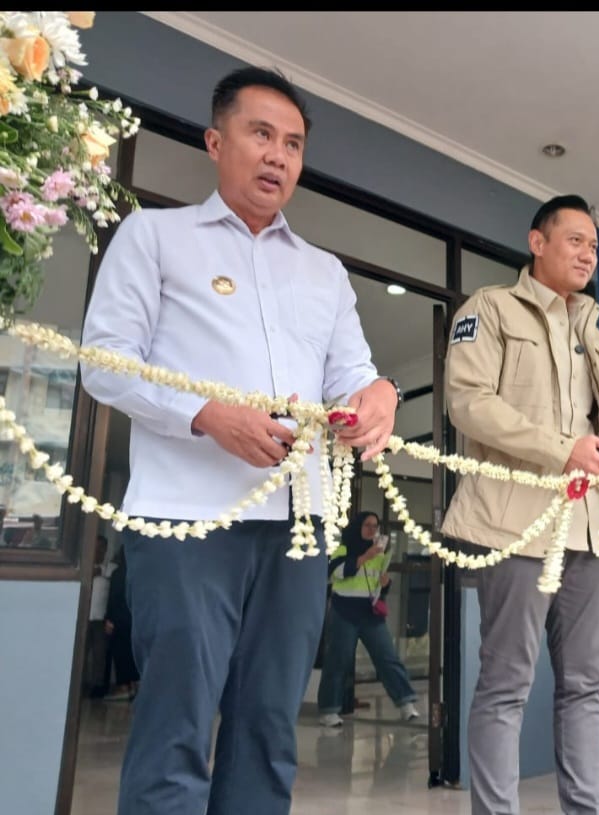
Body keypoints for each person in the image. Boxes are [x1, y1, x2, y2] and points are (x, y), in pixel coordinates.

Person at [79, 66, 399, 815]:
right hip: (187, 517)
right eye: (261, 134)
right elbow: (103, 359)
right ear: (216, 140)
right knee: (176, 723)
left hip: (298, 524)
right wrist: (206, 414)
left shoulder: (324, 272)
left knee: (267, 726)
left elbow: (354, 373)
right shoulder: (154, 236)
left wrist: (377, 395)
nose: (278, 156)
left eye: (292, 143)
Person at [441, 194, 599, 815]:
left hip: (591, 530)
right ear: (537, 242)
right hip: (515, 523)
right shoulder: (490, 308)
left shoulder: (592, 333)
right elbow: (467, 403)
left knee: (587, 686)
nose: (587, 253)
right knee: (505, 684)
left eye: (594, 245)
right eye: (575, 240)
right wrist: (559, 448)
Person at [316, 510, 419, 727]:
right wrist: (365, 557)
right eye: (368, 525)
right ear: (358, 527)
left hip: (369, 612)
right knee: (338, 660)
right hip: (343, 610)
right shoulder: (343, 548)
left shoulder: (380, 554)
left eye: (376, 526)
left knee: (387, 657)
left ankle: (406, 704)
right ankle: (329, 709)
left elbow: (375, 585)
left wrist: (385, 584)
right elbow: (335, 574)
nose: (372, 530)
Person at [103, 544, 139, 702]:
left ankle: (123, 686)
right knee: (131, 653)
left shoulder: (119, 574)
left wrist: (109, 618)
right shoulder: (138, 574)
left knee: (120, 653)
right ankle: (133, 685)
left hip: (119, 620)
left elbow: (113, 598)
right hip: (134, 619)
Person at [84, 534, 113, 698]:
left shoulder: (109, 568)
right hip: (83, 617)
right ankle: (77, 685)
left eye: (101, 548)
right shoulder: (83, 567)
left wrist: (99, 570)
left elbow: (109, 575)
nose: (98, 551)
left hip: (100, 618)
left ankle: (97, 687)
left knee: (99, 655)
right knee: (81, 652)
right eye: (96, 547)